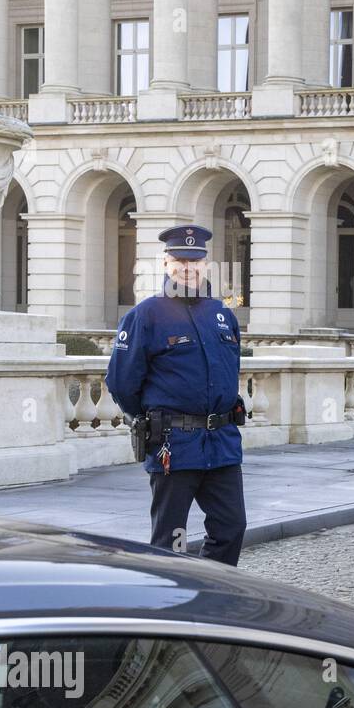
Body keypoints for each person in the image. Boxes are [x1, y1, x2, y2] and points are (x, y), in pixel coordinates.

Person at [104, 224, 248, 565]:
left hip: (222, 445)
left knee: (231, 527)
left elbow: (232, 369)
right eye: (180, 260)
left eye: (195, 261)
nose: (188, 267)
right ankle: (173, 603)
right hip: (175, 446)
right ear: (166, 264)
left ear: (205, 265)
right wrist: (156, 418)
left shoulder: (222, 315)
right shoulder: (145, 316)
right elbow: (122, 382)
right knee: (173, 540)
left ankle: (212, 592)